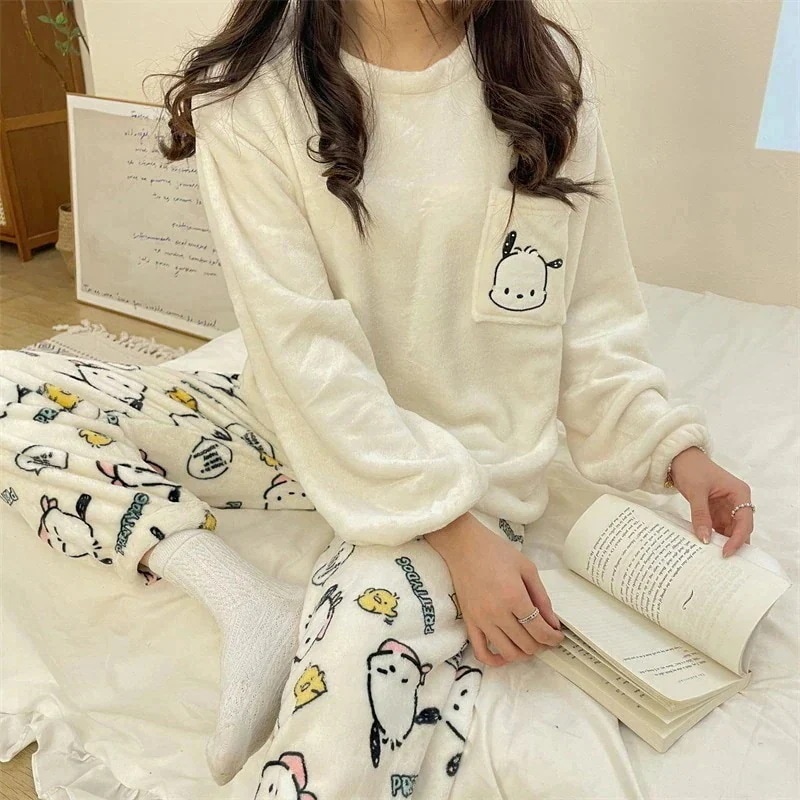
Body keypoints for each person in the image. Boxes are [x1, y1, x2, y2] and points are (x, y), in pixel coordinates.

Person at [0, 0, 756, 797]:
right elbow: (303, 351)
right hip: (289, 429)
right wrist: (449, 531)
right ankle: (244, 600)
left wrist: (668, 448)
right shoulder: (252, 94)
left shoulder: (540, 78)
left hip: (466, 476)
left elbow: (588, 310)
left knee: (335, 743)